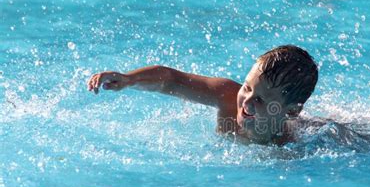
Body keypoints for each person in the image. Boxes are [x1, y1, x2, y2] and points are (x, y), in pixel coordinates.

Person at [87, 45, 318, 145]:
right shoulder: (227, 97)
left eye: (261, 99)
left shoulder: (294, 145)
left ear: (291, 111)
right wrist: (130, 79)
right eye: (247, 88)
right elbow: (171, 80)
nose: (247, 101)